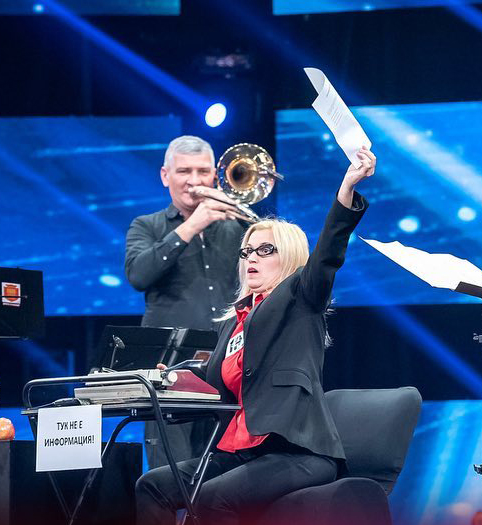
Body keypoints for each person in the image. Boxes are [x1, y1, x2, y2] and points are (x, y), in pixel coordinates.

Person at [135, 147, 376, 525]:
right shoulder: (233, 323)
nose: (251, 257)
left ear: (290, 257)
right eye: (247, 250)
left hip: (297, 453)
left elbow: (328, 252)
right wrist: (169, 380)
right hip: (240, 452)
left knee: (212, 498)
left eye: (265, 250)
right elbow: (211, 382)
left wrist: (347, 188)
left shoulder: (301, 297)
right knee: (152, 485)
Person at [125, 135, 248, 468]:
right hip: (168, 368)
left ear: (215, 176)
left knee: (226, 469)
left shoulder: (236, 227)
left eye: (203, 171)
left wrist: (244, 218)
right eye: (184, 171)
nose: (194, 181)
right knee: (171, 469)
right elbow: (138, 275)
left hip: (227, 361)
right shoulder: (146, 226)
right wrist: (195, 223)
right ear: (166, 176)